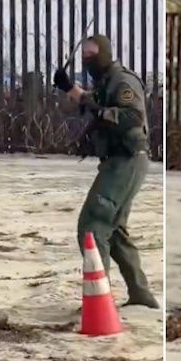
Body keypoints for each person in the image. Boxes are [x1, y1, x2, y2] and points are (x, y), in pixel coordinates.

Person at [52, 35, 158, 309]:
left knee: (93, 224)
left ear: (106, 53)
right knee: (115, 230)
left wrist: (99, 114)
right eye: (84, 55)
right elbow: (88, 101)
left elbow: (131, 117)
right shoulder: (105, 82)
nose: (87, 59)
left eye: (92, 53)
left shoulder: (123, 81)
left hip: (127, 160)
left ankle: (98, 301)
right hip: (120, 161)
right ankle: (141, 295)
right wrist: (68, 87)